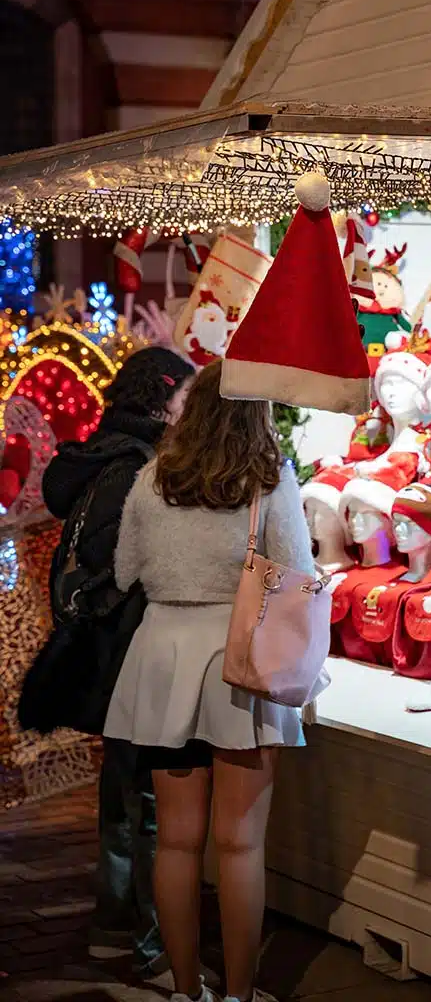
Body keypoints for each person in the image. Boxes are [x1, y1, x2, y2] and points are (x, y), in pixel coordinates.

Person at [105, 359, 315, 1002]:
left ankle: (185, 989)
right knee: (239, 846)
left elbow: (124, 571)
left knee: (175, 843)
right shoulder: (269, 478)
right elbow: (298, 573)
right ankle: (241, 994)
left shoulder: (153, 478)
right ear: (258, 411)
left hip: (164, 657)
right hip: (241, 661)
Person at [42, 346, 195, 975]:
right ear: (161, 401)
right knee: (148, 799)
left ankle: (112, 924)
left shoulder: (101, 456)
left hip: (106, 653)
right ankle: (150, 941)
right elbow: (124, 565)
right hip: (131, 650)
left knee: (123, 791)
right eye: (185, 399)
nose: (190, 412)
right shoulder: (137, 468)